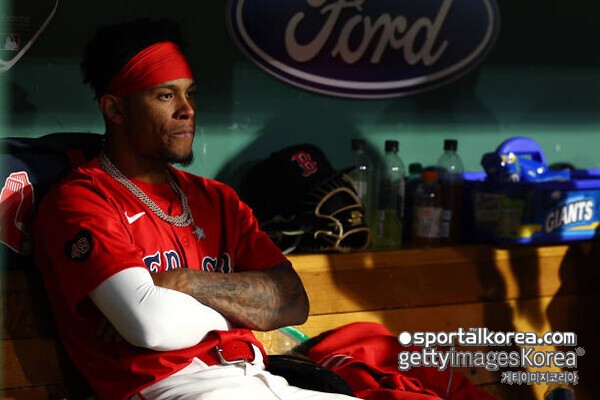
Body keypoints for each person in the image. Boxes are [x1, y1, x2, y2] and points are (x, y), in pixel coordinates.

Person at [33, 18, 360, 400]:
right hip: (173, 388)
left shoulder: (217, 199)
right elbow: (151, 325)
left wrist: (185, 283)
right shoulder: (83, 199)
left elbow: (292, 301)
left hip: (257, 379)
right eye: (165, 96)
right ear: (116, 109)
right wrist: (236, 314)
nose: (187, 110)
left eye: (190, 94)